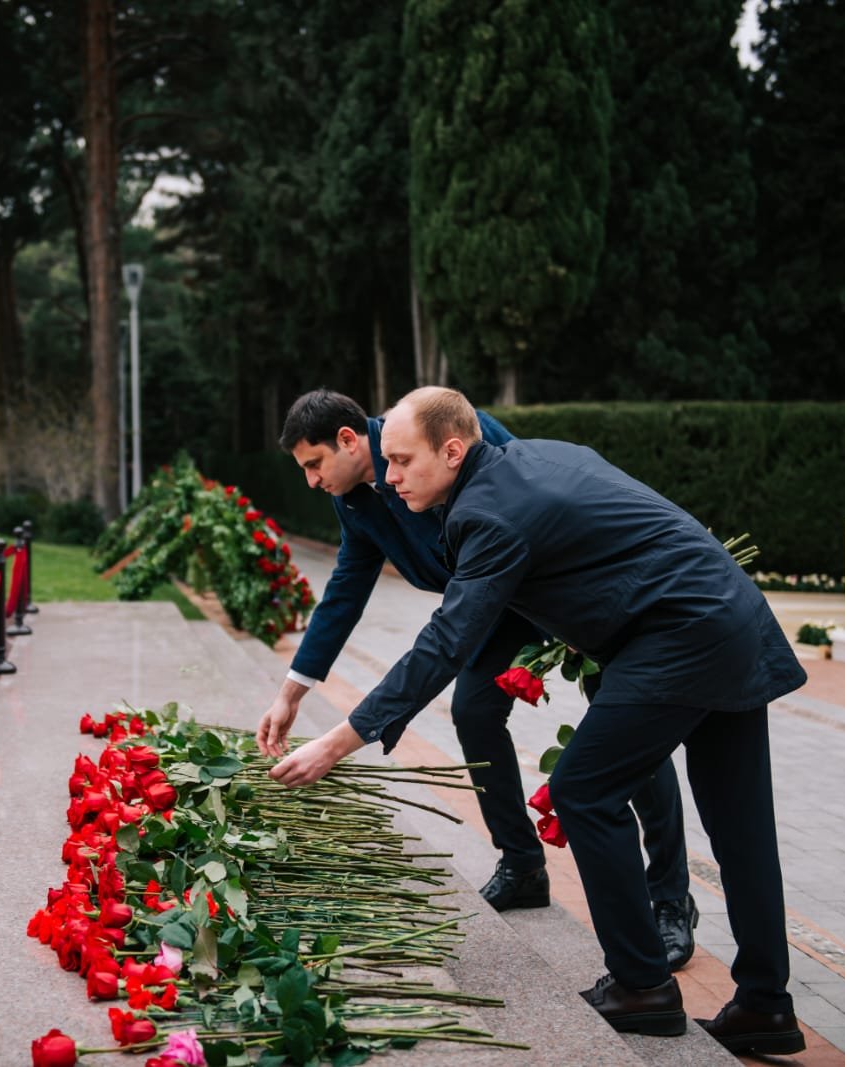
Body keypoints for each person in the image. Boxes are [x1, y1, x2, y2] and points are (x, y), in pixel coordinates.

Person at [269, 387, 808, 1055]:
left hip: (681, 633)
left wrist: (338, 739)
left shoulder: (487, 513)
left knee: (585, 788)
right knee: (741, 827)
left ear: (453, 450)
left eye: (403, 460)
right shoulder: (528, 462)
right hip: (726, 614)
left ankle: (643, 985)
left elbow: (447, 640)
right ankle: (765, 1004)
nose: (393, 475)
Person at [256, 389, 698, 970]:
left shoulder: (442, 432)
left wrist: (572, 601)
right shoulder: (357, 500)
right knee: (473, 711)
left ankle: (669, 897)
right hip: (487, 604)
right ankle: (522, 864)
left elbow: (536, 500)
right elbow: (345, 589)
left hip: (557, 588)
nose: (312, 481)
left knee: (626, 718)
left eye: (314, 465)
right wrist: (292, 693)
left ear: (345, 440)